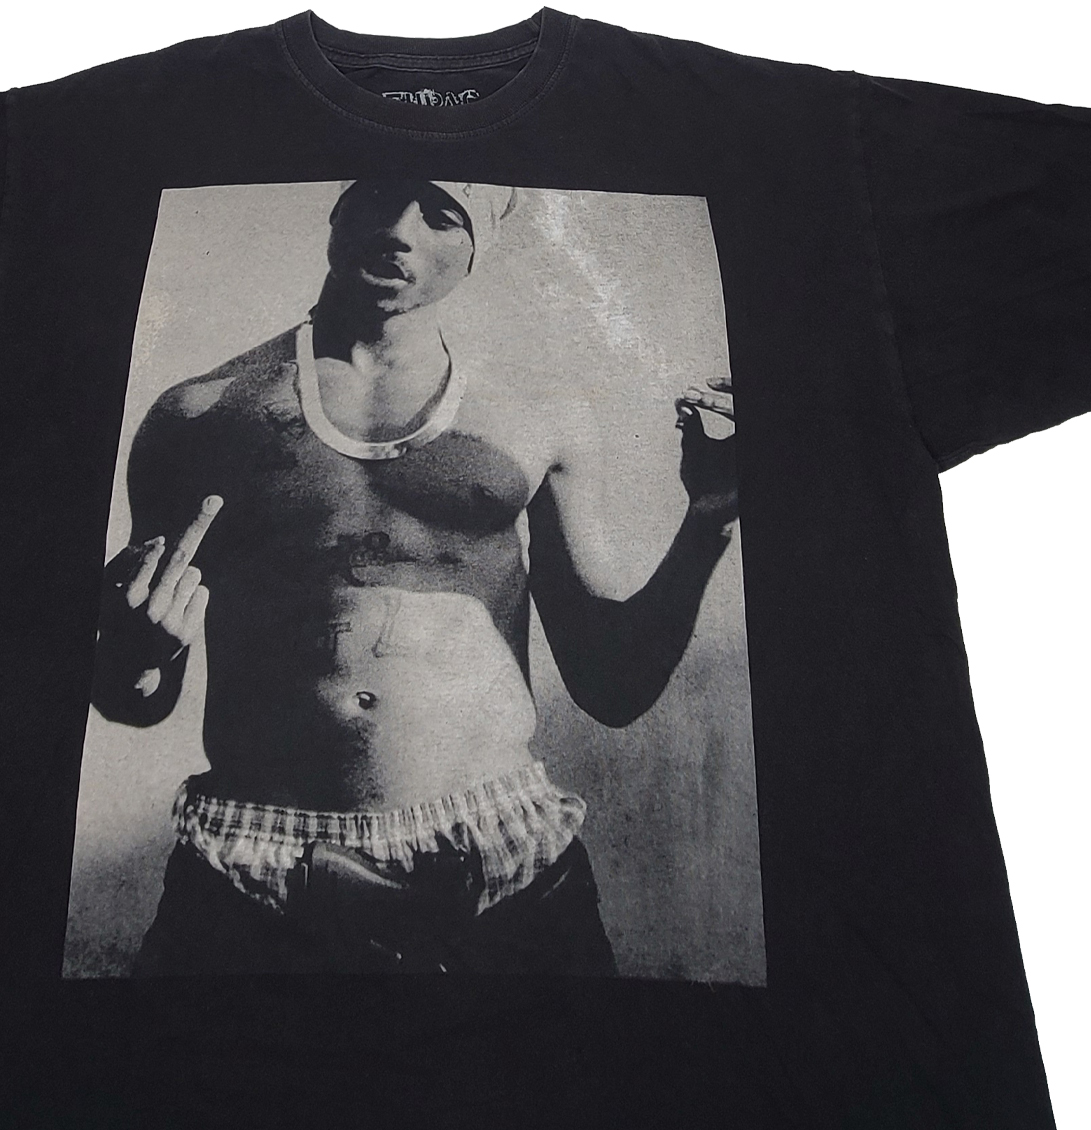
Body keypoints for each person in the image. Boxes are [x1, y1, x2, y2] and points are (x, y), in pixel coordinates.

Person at [90, 179, 739, 974]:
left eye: (441, 214)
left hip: (500, 867)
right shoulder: (198, 417)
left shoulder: (535, 412)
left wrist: (709, 521)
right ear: (337, 214)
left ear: (475, 250)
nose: (399, 230)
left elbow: (613, 685)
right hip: (252, 867)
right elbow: (133, 698)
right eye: (380, 197)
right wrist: (136, 655)